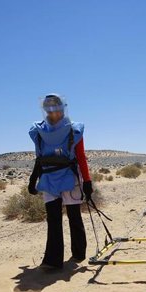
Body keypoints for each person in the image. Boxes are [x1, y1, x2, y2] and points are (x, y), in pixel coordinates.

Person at [28, 94, 93, 271]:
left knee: (74, 215)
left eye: (55, 107)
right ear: (45, 109)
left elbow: (80, 156)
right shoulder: (38, 131)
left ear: (62, 108)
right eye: (49, 107)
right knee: (53, 219)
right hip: (48, 177)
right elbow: (39, 157)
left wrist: (87, 181)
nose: (53, 111)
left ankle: (79, 253)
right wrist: (34, 178)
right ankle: (52, 261)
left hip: (69, 177)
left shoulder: (74, 130)